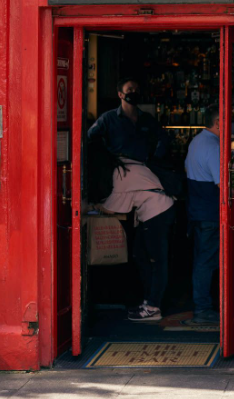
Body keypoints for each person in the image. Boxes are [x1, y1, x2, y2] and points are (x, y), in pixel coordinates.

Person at [90, 142, 176, 322]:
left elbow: (113, 207)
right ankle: (149, 301)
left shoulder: (121, 172)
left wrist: (93, 206)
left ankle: (153, 307)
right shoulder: (129, 164)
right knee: (141, 255)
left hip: (156, 212)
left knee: (156, 260)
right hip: (157, 210)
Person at [184, 105, 221, 325]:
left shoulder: (196, 142)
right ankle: (203, 308)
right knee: (206, 261)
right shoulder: (213, 146)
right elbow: (221, 184)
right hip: (210, 212)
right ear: (218, 122)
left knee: (202, 259)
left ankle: (203, 304)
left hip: (197, 210)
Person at [87, 78, 168, 163]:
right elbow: (89, 137)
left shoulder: (147, 118)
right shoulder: (108, 118)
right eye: (130, 90)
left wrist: (156, 157)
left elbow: (163, 137)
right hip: (119, 170)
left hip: (143, 169)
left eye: (136, 90)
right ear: (120, 95)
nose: (134, 92)